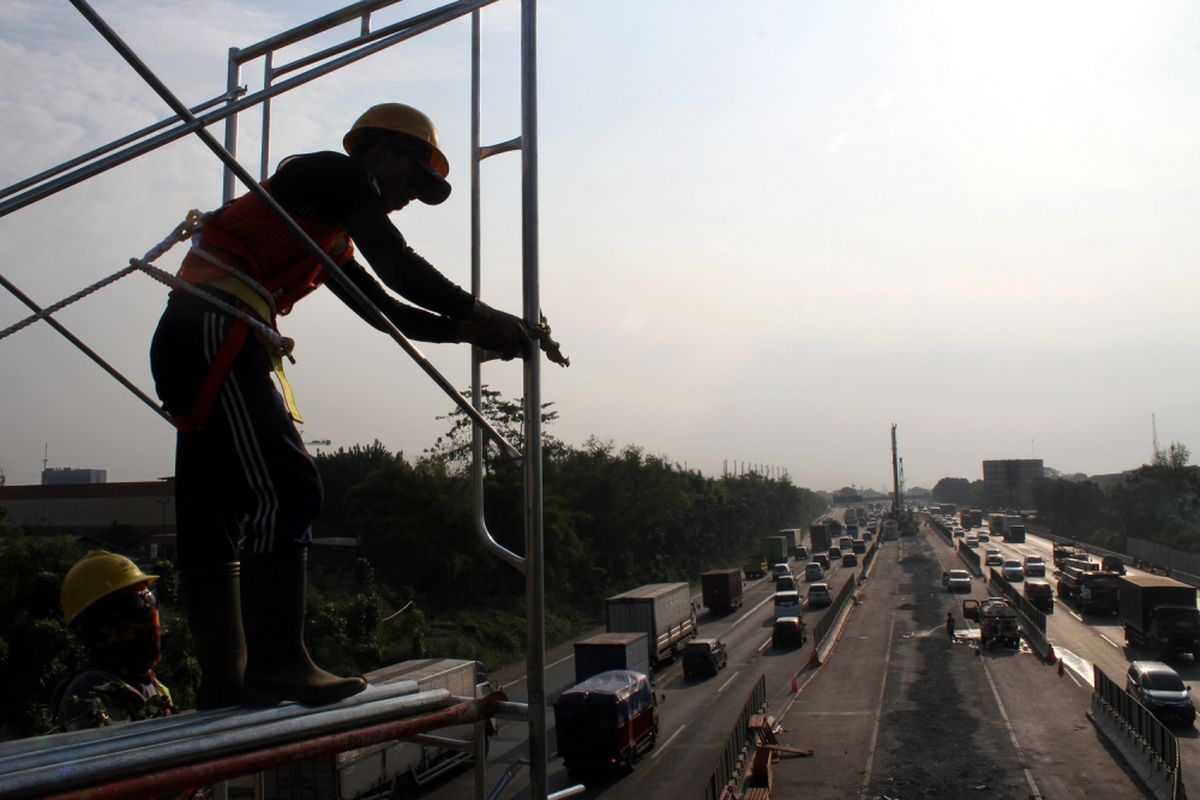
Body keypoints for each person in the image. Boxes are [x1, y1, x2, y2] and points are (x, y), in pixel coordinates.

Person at [150, 103, 531, 708]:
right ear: (380, 152)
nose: (408, 199)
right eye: (413, 179)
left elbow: (386, 313)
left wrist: (465, 333)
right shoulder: (330, 173)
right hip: (213, 326)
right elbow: (398, 264)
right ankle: (277, 664)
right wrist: (479, 312)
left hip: (206, 330)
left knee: (217, 506)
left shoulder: (326, 231)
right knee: (290, 485)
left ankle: (226, 682)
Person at [54, 551, 176, 730]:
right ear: (97, 626)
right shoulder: (93, 691)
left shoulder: (154, 686)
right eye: (135, 603)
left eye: (149, 599)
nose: (148, 613)